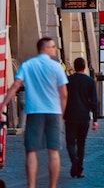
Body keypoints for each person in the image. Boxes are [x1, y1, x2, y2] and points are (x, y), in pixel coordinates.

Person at [0, 37, 68, 188]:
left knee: (31, 151)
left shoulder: (28, 65)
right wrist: (61, 114)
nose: (54, 49)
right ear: (44, 48)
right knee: (54, 151)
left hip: (34, 111)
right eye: (52, 47)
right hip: (53, 112)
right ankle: (53, 186)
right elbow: (63, 94)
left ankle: (31, 186)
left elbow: (15, 86)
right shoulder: (56, 67)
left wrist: (3, 104)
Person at [64, 57, 98, 179]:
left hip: (70, 116)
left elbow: (63, 97)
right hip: (84, 117)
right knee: (81, 143)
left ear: (74, 66)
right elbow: (94, 101)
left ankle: (74, 160)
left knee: (70, 142)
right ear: (84, 67)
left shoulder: (68, 80)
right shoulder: (90, 82)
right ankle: (79, 169)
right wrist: (95, 120)